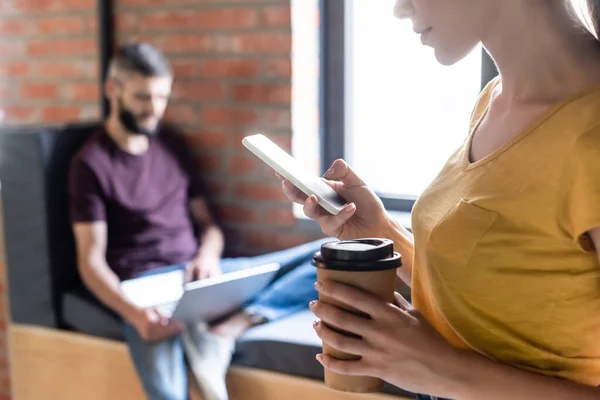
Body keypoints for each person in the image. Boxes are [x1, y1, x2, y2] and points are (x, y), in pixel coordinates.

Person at [279, 1, 600, 399]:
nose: (399, 9)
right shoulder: (495, 101)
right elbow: (502, 290)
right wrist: (380, 231)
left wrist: (441, 371)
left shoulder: (591, 129)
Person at [68, 41, 326, 400]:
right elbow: (90, 262)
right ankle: (208, 337)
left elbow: (210, 227)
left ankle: (236, 324)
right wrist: (136, 315)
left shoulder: (172, 145)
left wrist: (206, 258)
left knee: (329, 253)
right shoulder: (91, 164)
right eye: (143, 97)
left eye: (161, 97)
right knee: (168, 394)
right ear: (113, 89)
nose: (154, 109)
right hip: (145, 291)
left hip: (201, 276)